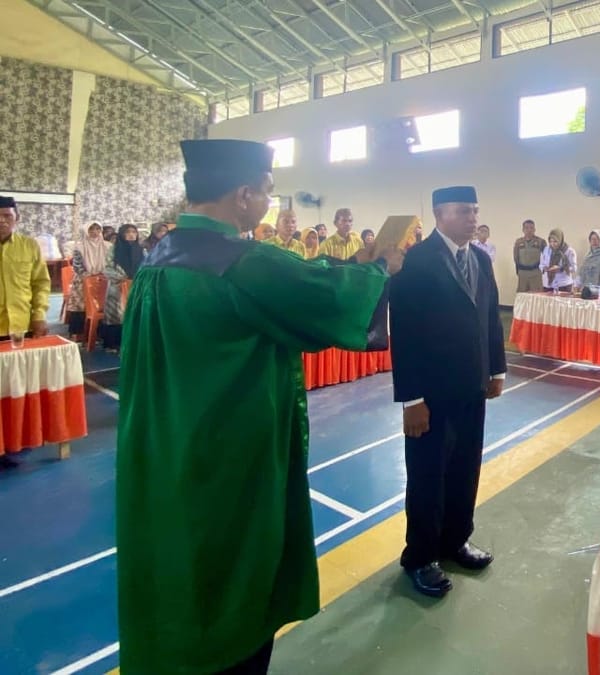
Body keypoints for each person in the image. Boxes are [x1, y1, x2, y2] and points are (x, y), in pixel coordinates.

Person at [115, 139, 404, 675]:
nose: (271, 201)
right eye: (269, 191)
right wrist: (381, 267)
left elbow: (293, 281)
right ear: (244, 195)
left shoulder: (159, 256)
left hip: (163, 448)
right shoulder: (242, 261)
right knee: (230, 593)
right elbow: (326, 299)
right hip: (227, 459)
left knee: (174, 578)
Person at [389, 185, 505, 598]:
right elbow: (403, 332)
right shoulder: (415, 262)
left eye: (475, 210)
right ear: (440, 214)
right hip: (431, 394)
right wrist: (412, 398)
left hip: (471, 387)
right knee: (428, 476)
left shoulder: (480, 258)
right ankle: (420, 556)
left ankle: (455, 540)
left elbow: (491, 317)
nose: (473, 218)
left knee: (465, 467)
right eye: (463, 211)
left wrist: (496, 370)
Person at [0, 196, 51, 342]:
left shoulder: (30, 246)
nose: (2, 220)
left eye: (7, 215)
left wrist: (39, 315)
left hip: (22, 325)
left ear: (17, 218)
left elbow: (41, 284)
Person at [64, 222, 111, 340]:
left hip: (102, 279)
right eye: (91, 229)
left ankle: (98, 334)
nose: (95, 232)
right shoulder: (79, 247)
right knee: (80, 306)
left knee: (102, 306)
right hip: (83, 280)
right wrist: (88, 277)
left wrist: (103, 274)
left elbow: (110, 263)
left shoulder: (108, 246)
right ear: (85, 231)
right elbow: (77, 266)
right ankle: (78, 334)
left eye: (97, 229)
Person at [512, 219, 546, 294]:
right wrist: (520, 269)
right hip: (523, 273)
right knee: (522, 295)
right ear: (523, 230)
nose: (529, 230)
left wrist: (542, 268)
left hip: (536, 272)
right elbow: (515, 257)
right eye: (526, 228)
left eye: (531, 228)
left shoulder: (541, 241)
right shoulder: (518, 242)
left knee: (536, 296)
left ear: (534, 229)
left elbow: (546, 257)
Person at [540, 228, 575, 292]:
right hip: (548, 284)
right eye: (550, 241)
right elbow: (541, 264)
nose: (552, 244)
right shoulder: (546, 249)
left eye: (555, 241)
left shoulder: (569, 251)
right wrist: (544, 268)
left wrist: (560, 269)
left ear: (560, 240)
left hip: (563, 285)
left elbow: (574, 268)